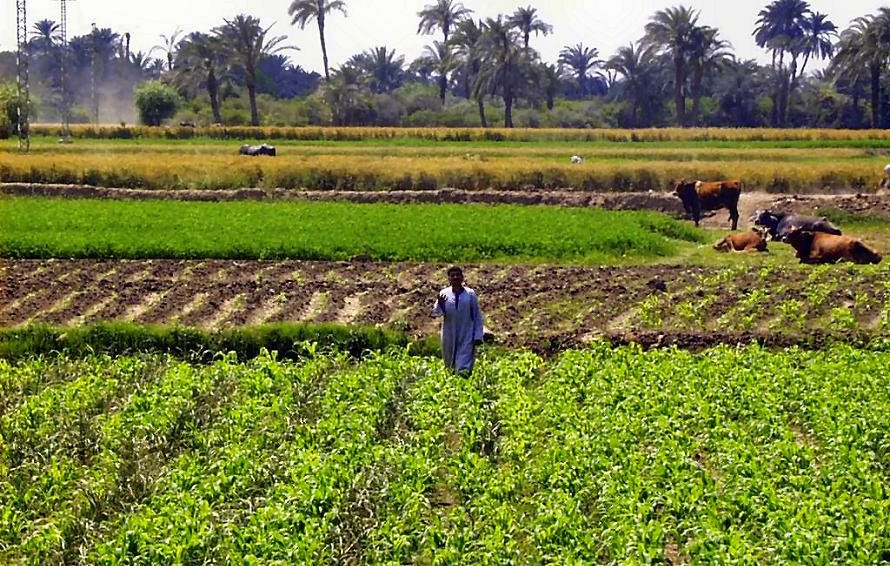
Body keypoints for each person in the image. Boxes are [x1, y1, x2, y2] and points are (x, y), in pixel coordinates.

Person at [432, 266, 484, 374]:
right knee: (449, 362)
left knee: (464, 364)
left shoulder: (470, 294)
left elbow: (477, 315)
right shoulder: (444, 293)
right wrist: (440, 304)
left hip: (466, 333)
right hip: (449, 333)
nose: (455, 277)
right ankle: (452, 380)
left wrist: (478, 336)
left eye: (458, 275)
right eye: (453, 275)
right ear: (449, 279)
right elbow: (436, 313)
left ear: (462, 277)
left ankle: (463, 379)